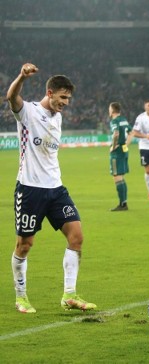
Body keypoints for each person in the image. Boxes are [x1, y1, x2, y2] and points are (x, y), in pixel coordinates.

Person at [7, 63, 96, 313]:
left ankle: (69, 295)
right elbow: (12, 97)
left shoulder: (58, 118)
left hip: (56, 189)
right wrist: (21, 77)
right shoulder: (29, 113)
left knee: (76, 237)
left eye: (68, 98)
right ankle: (21, 297)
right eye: (62, 97)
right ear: (50, 93)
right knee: (25, 244)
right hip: (30, 189)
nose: (66, 103)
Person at [108, 102, 131, 211]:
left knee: (117, 177)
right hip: (124, 150)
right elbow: (131, 133)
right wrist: (126, 144)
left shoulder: (115, 121)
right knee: (121, 177)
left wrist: (113, 146)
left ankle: (122, 204)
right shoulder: (124, 120)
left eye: (109, 109)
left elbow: (116, 133)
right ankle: (124, 202)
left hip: (117, 152)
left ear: (112, 110)